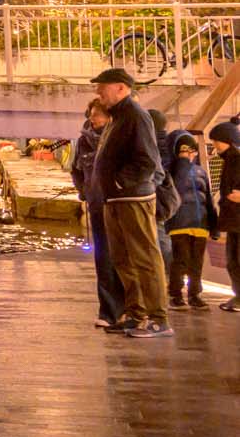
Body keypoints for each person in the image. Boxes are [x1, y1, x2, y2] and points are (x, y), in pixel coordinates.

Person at [90, 66, 171, 337]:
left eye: (103, 86)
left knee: (145, 257)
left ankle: (158, 318)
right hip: (115, 200)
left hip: (132, 198)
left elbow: (147, 160)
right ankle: (136, 314)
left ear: (121, 88)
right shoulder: (118, 117)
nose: (98, 91)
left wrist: (118, 182)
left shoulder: (136, 116)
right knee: (123, 259)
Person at [69, 99, 123, 329]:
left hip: (120, 205)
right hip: (98, 206)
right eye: (91, 115)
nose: (93, 119)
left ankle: (131, 309)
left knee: (124, 259)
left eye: (97, 115)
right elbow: (77, 170)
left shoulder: (120, 138)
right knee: (104, 259)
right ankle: (108, 311)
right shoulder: (84, 142)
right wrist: (85, 191)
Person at [165, 131, 214, 308]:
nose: (189, 155)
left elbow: (208, 199)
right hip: (179, 223)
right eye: (184, 151)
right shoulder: (173, 170)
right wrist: (182, 162)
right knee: (181, 260)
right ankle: (176, 294)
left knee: (197, 262)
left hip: (199, 223)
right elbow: (176, 187)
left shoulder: (201, 171)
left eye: (191, 151)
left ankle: (195, 294)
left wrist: (213, 225)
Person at [212, 119, 240, 312]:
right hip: (232, 220)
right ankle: (238, 297)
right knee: (232, 262)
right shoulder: (227, 162)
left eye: (216, 141)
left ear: (228, 140)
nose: (214, 145)